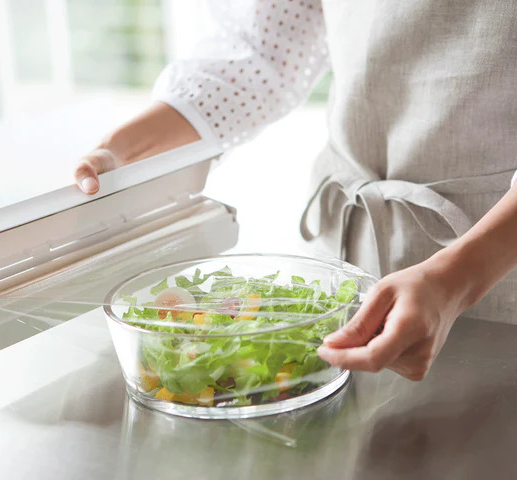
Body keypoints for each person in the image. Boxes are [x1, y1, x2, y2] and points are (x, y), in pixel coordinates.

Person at [73, 1, 517, 381]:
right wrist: (124, 148)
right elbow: (262, 48)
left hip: (496, 270)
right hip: (347, 247)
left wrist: (455, 280)